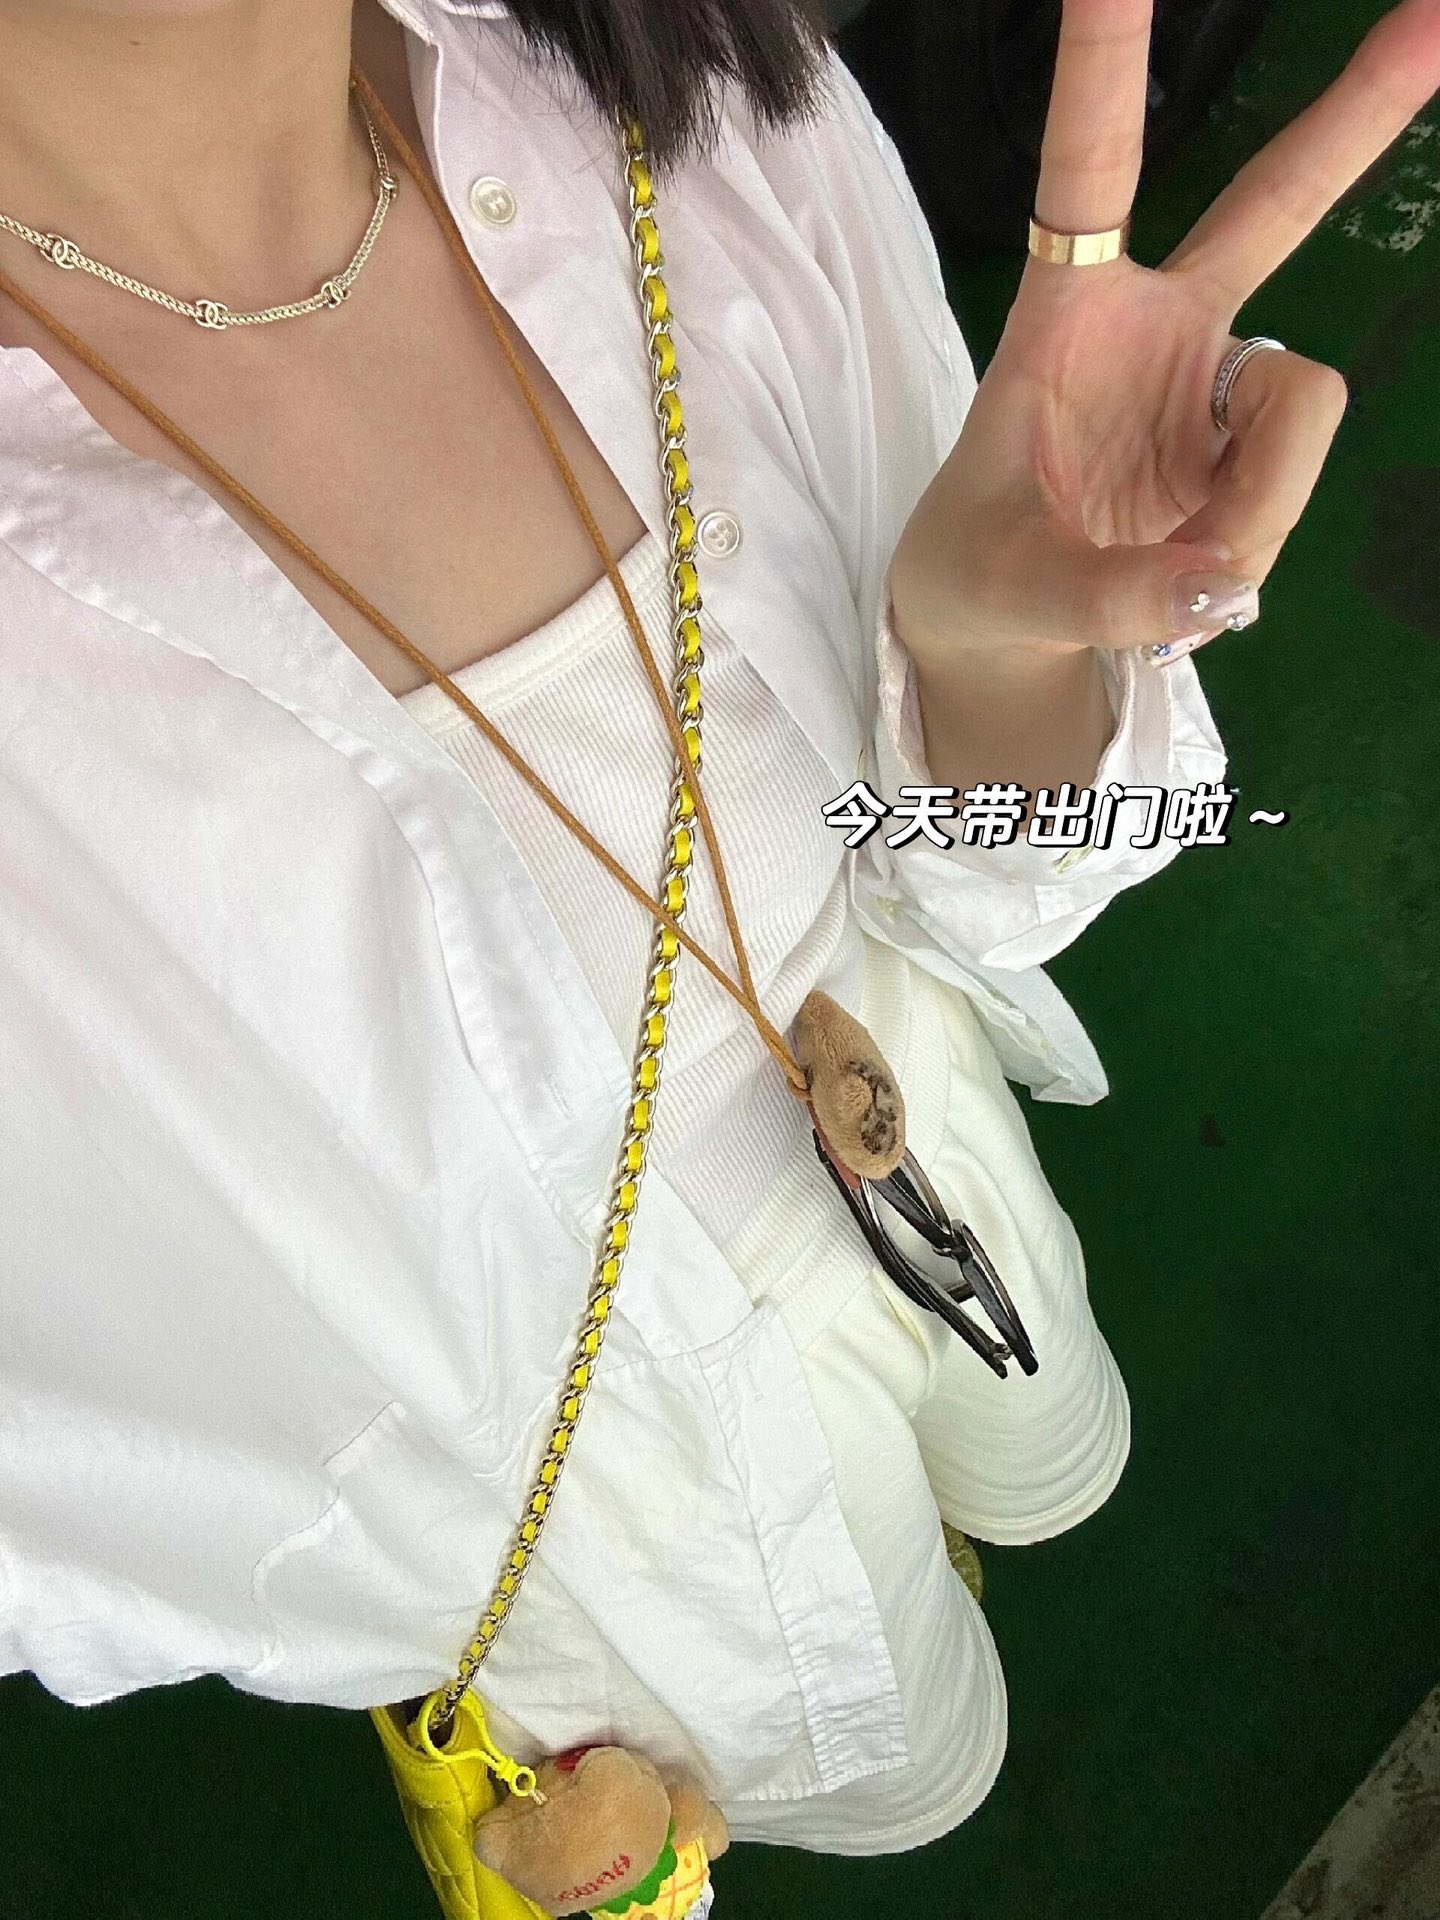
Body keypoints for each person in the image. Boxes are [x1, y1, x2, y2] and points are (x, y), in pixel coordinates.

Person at [0, 0, 1432, 1874]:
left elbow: (959, 867)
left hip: (912, 1118)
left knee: (1039, 1453)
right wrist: (400, 1579)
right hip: (621, 1540)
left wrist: (994, 658)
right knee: (912, 1760)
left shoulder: (684, 110)